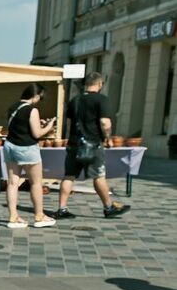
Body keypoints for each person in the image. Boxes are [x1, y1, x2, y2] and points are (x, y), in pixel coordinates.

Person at [54, 72, 131, 219]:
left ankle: (62, 209)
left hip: (74, 144)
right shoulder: (101, 100)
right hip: (93, 144)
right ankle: (108, 207)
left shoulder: (74, 100)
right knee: (98, 176)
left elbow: (69, 123)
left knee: (69, 176)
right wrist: (108, 138)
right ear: (100, 84)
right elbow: (104, 122)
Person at [1, 83, 57, 229]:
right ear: (36, 96)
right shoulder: (32, 110)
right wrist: (49, 126)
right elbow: (37, 134)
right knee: (36, 182)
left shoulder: (13, 107)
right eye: (40, 98)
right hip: (27, 148)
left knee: (13, 183)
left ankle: (13, 217)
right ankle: (39, 216)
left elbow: (20, 126)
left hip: (10, 146)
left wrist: (40, 125)